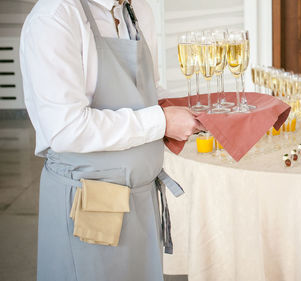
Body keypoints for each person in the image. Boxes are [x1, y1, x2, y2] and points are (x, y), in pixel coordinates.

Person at [19, 0, 203, 280]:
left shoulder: (139, 9)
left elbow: (146, 89)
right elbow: (66, 129)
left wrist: (194, 110)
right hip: (89, 201)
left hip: (142, 197)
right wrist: (163, 121)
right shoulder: (55, 16)